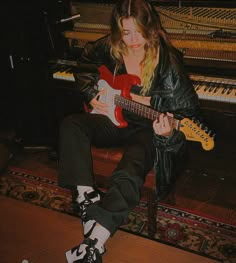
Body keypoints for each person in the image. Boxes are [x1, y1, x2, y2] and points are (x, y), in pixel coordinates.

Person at [58, 0, 199, 262]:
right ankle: (87, 200)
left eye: (138, 31)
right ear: (117, 32)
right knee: (71, 125)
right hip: (113, 117)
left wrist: (168, 133)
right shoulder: (109, 47)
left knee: (130, 168)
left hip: (147, 128)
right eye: (125, 32)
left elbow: (188, 113)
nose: (133, 40)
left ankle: (95, 241)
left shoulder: (169, 63)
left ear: (151, 28)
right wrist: (92, 95)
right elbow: (85, 67)